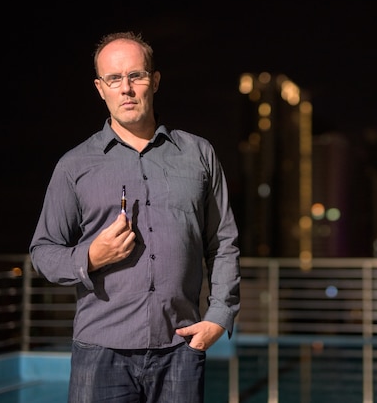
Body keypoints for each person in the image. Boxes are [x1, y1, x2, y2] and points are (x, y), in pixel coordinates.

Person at [29, 31, 241, 403]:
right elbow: (43, 251)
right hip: (100, 353)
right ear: (100, 88)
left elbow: (223, 242)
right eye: (114, 79)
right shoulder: (73, 165)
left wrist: (219, 316)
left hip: (180, 348)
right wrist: (91, 257)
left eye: (136, 76)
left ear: (154, 81)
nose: (125, 88)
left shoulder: (199, 154)